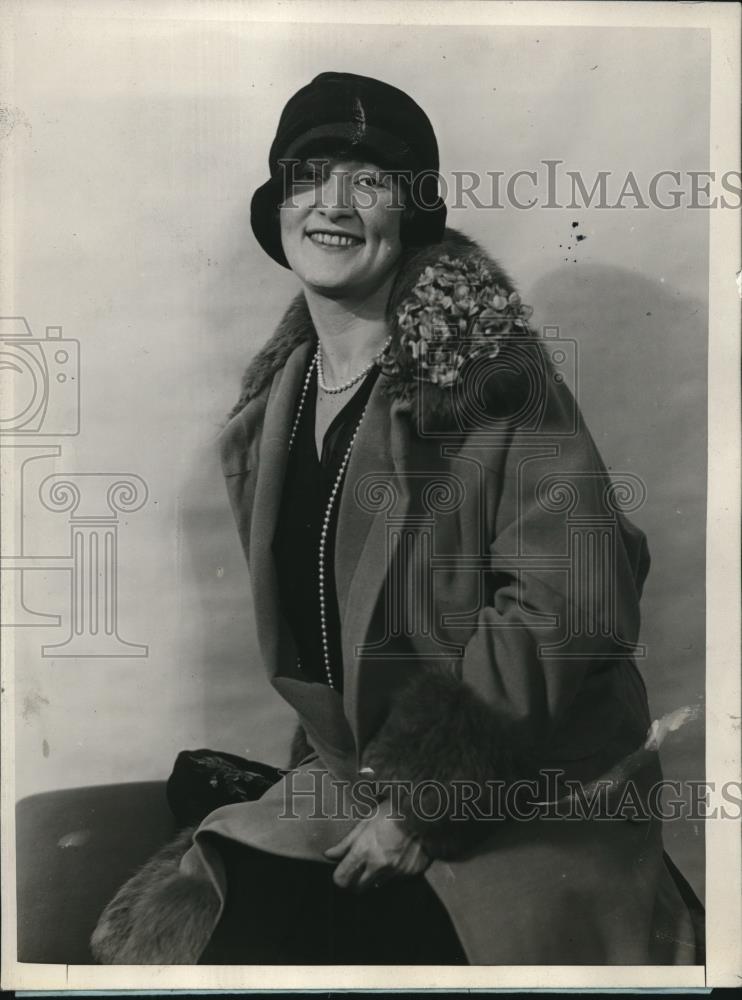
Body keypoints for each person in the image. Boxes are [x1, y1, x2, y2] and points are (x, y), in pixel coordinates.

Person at [91, 71, 704, 966]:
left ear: (412, 212)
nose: (333, 204)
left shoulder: (499, 382)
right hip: (360, 783)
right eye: (310, 174)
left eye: (370, 180)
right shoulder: (277, 406)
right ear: (278, 203)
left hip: (528, 794)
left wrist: (427, 801)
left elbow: (571, 603)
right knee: (209, 938)